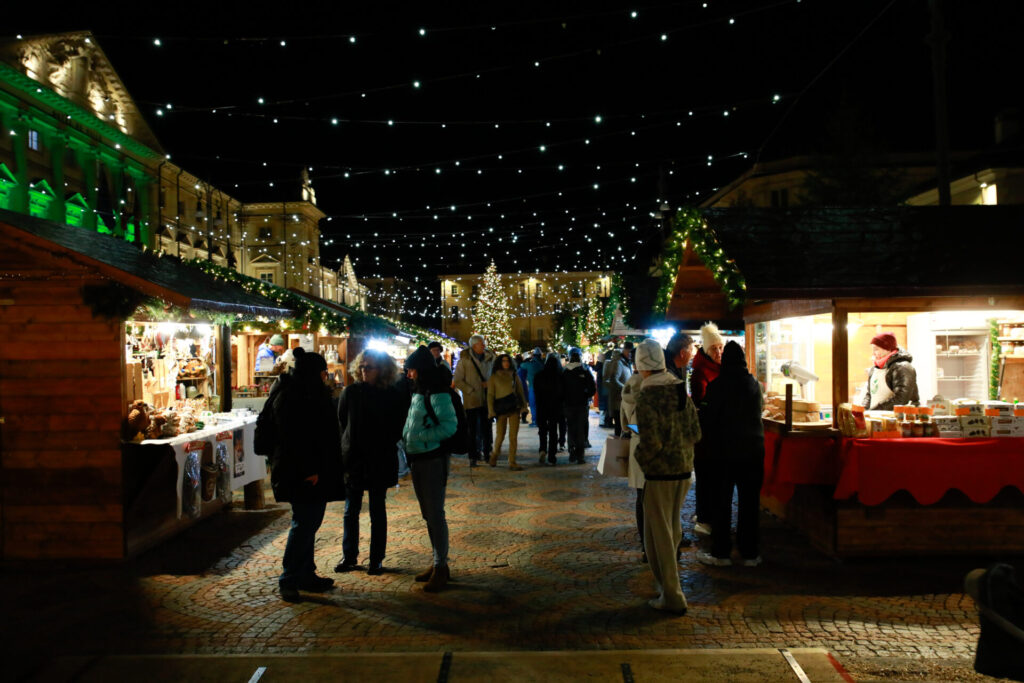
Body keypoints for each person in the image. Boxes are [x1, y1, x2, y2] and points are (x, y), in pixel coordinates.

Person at [266, 347, 344, 602]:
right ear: (313, 373)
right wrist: (309, 470)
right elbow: (294, 438)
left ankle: (306, 574)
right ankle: (289, 578)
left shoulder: (304, 391)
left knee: (309, 523)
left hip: (311, 470)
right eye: (323, 373)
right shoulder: (295, 395)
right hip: (303, 473)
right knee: (304, 524)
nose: (326, 377)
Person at [632, 339, 701, 615]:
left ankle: (671, 593)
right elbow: (696, 432)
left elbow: (652, 442)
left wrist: (640, 459)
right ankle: (669, 590)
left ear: (642, 367)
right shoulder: (680, 390)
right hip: (684, 469)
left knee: (658, 533)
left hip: (659, 473)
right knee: (672, 529)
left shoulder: (648, 396)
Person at [336, 349, 406, 576]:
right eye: (362, 366)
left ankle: (376, 558)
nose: (365, 371)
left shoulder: (391, 394)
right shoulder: (350, 392)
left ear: (382, 370)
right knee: (350, 510)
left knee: (377, 510)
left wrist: (382, 442)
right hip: (354, 458)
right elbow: (342, 422)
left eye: (370, 367)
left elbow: (398, 426)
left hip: (379, 458)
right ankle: (349, 556)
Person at [696, 341, 765, 567]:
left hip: (723, 453)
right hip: (752, 452)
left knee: (721, 503)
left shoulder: (717, 385)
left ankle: (721, 553)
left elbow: (708, 419)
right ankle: (749, 553)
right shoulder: (753, 384)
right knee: (749, 503)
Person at [403, 345, 458, 592]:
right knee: (428, 514)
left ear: (420, 370)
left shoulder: (438, 392)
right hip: (417, 458)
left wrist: (424, 437)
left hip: (432, 459)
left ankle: (441, 567)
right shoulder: (419, 391)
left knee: (435, 513)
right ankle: (437, 562)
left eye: (411, 370)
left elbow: (449, 426)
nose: (407, 374)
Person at [691, 322, 724, 536]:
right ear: (706, 349)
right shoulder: (700, 372)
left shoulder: (722, 368)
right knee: (706, 476)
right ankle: (704, 517)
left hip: (720, 432)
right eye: (714, 348)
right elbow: (700, 400)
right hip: (706, 433)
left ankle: (710, 513)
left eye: (720, 347)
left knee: (715, 478)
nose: (719, 352)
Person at [453, 334, 495, 467]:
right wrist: (470, 390)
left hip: (487, 398)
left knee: (487, 428)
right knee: (472, 430)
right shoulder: (464, 360)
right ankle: (473, 456)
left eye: (484, 343)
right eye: (481, 343)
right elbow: (458, 380)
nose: (484, 345)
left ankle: (488, 453)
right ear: (474, 345)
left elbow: (495, 375)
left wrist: (491, 384)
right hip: (471, 400)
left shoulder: (490, 358)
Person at [619, 364, 647, 562]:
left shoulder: (626, 394)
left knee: (640, 498)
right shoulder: (650, 392)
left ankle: (645, 543)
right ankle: (656, 544)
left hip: (636, 446)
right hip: (652, 448)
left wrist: (635, 428)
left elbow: (623, 425)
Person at [487, 353, 528, 470]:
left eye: (508, 361)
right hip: (501, 409)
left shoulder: (514, 375)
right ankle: (494, 454)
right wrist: (491, 410)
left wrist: (524, 406)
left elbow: (520, 391)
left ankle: (512, 461)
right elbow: (490, 395)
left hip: (514, 408)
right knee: (500, 435)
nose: (506, 363)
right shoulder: (494, 376)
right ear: (500, 362)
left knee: (513, 436)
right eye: (504, 361)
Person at [860, 332, 920, 410]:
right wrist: (864, 411)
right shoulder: (874, 369)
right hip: (877, 418)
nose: (873, 353)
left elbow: (901, 399)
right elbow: (869, 394)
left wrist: (875, 411)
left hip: (897, 419)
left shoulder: (903, 368)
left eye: (876, 349)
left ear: (888, 349)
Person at [561, 347, 596, 464]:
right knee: (581, 429)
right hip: (581, 405)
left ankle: (572, 451)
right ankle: (580, 454)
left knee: (571, 428)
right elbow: (592, 388)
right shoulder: (584, 370)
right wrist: (586, 394)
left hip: (569, 405)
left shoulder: (565, 371)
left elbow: (561, 389)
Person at [533, 352, 565, 465]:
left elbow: (536, 392)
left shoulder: (539, 376)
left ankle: (542, 449)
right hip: (555, 408)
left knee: (542, 431)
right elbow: (563, 393)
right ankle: (552, 455)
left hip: (542, 407)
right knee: (553, 432)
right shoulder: (560, 377)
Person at [603, 348, 632, 436]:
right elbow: (614, 379)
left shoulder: (625, 363)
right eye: (629, 352)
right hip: (619, 401)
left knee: (623, 426)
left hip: (623, 401)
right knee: (620, 426)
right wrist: (625, 388)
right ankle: (619, 446)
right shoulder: (618, 363)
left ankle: (621, 444)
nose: (630, 354)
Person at [519, 347, 545, 426]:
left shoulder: (530, 364)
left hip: (532, 387)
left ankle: (535, 421)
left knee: (533, 405)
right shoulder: (543, 364)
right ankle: (541, 420)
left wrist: (528, 359)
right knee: (541, 405)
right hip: (542, 388)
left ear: (533, 355)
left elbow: (522, 365)